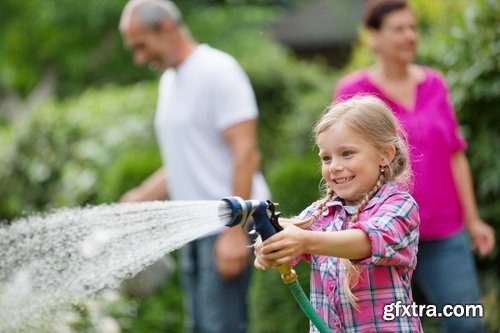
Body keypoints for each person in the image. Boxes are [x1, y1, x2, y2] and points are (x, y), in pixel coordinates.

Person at [333, 1, 496, 332]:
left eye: (413, 28)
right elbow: (343, 159)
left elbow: (455, 153)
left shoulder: (434, 84)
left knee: (466, 323)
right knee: (385, 326)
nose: (410, 36)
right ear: (373, 37)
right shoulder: (354, 92)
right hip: (379, 235)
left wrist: (472, 219)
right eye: (398, 29)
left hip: (442, 232)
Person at [118, 1, 271, 332]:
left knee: (221, 326)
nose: (139, 58)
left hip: (227, 225)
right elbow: (188, 160)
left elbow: (246, 152)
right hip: (195, 227)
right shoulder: (170, 81)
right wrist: (141, 196)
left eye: (142, 45)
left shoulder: (218, 70)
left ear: (168, 28)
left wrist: (234, 232)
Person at [255, 95, 422, 332]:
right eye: (326, 157)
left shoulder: (400, 206)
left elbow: (368, 241)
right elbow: (287, 239)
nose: (334, 166)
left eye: (347, 153)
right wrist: (269, 246)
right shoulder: (321, 212)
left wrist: (303, 240)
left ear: (385, 154)